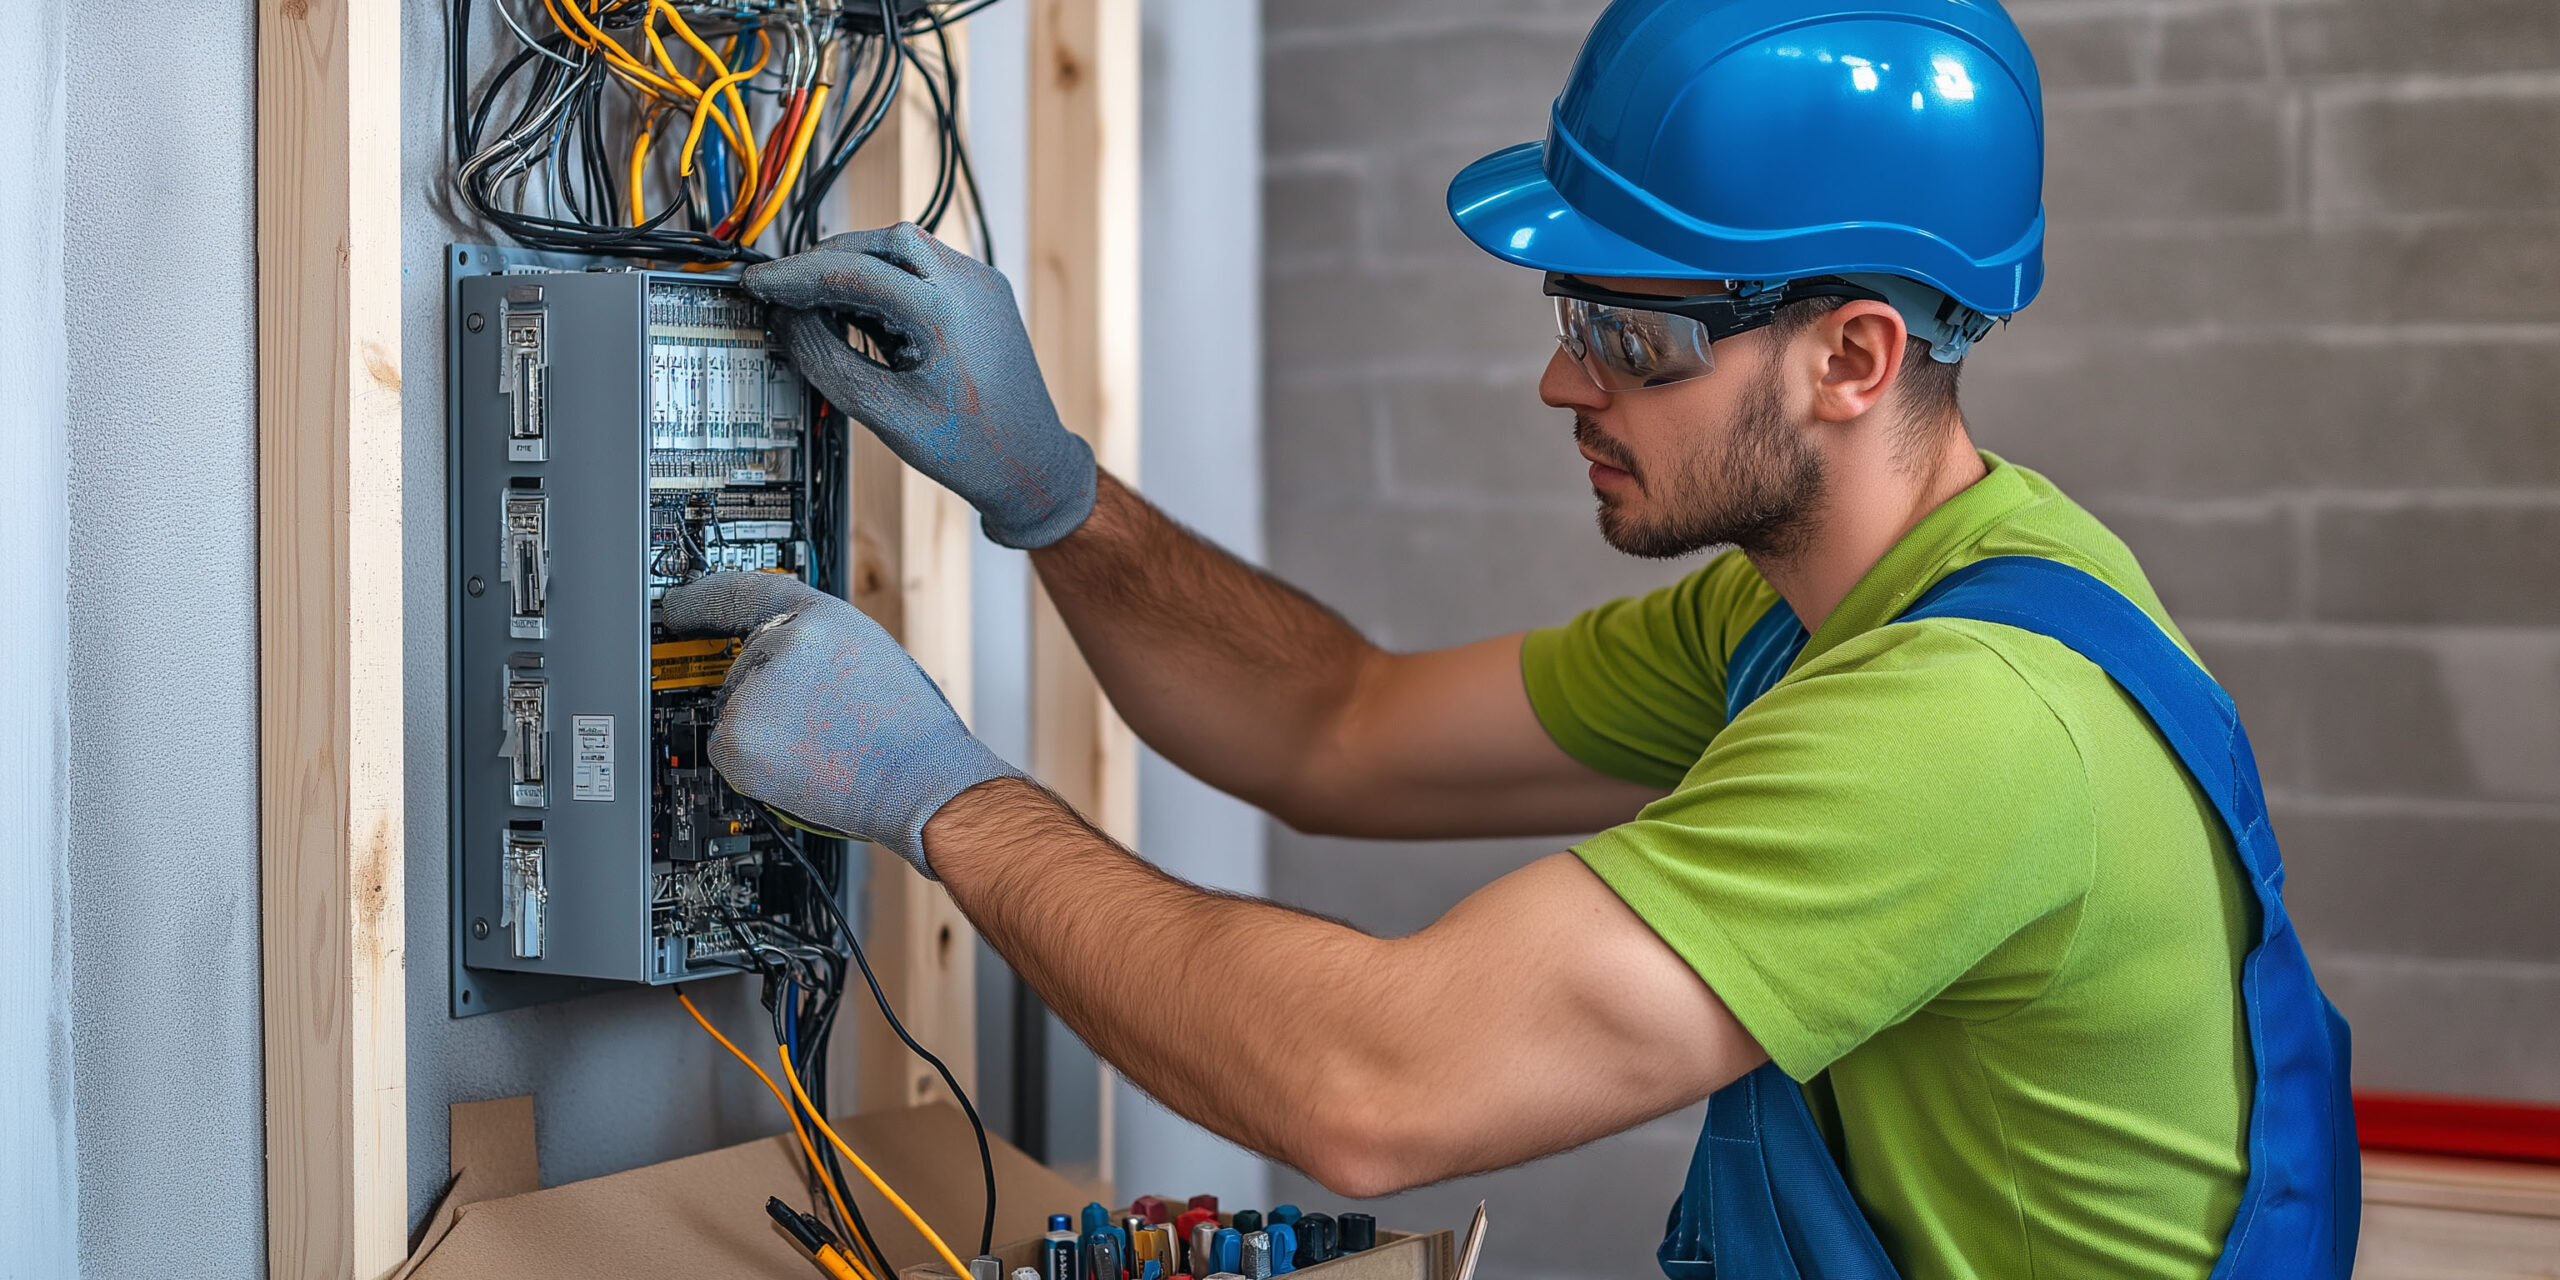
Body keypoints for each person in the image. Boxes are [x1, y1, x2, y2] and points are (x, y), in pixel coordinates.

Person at [663, 0, 2357, 1275]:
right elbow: (1338, 727)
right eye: (1571, 314)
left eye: (1631, 328)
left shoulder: (1971, 723)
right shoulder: (1811, 603)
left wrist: (943, 796)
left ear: (1854, 359)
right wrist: (1051, 494)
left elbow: (1369, 1085)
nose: (1566, 378)